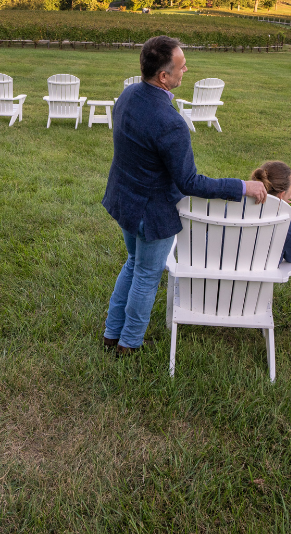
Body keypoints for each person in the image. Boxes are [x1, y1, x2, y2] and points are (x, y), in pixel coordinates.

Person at [102, 36, 268, 355]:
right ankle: (128, 343)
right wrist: (242, 186)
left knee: (133, 262)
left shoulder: (127, 95)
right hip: (150, 213)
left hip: (125, 200)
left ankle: (112, 333)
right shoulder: (171, 124)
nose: (186, 69)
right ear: (164, 76)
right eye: (181, 66)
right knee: (147, 274)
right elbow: (191, 182)